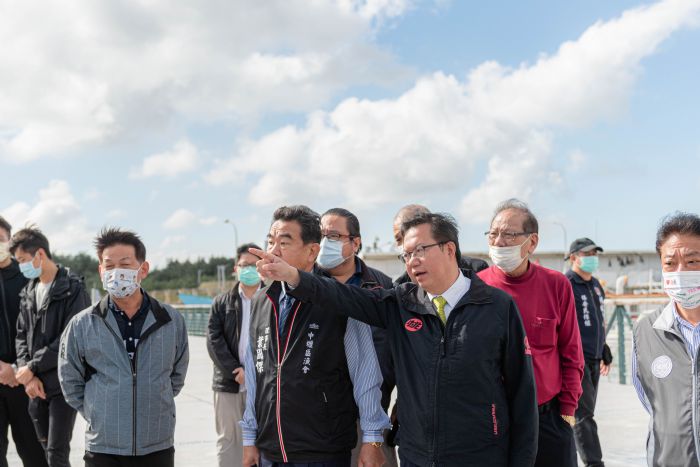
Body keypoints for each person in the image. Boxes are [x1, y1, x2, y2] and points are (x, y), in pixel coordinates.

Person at [251, 211, 538, 467]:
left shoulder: (496, 307)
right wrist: (293, 276)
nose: (412, 262)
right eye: (406, 255)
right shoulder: (401, 303)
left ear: (449, 249)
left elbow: (522, 394)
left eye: (420, 250)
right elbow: (342, 295)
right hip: (417, 455)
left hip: (480, 455)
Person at [240, 205, 389, 467]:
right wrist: (250, 437)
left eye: (284, 243)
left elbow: (366, 374)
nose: (273, 251)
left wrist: (373, 439)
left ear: (312, 251)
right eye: (270, 241)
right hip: (270, 449)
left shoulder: (338, 299)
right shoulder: (262, 300)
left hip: (322, 450)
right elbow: (255, 375)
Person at [58, 228, 189, 467]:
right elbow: (70, 380)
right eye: (109, 266)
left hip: (156, 443)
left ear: (143, 269)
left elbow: (176, 375)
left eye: (125, 264)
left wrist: (153, 399)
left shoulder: (170, 320)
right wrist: (99, 412)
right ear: (101, 271)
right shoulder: (82, 324)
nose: (116, 272)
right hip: (103, 446)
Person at [478, 199, 583, 467]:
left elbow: (571, 351)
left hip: (548, 416)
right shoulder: (477, 288)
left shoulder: (556, 285)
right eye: (493, 234)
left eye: (509, 234)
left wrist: (567, 410)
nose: (498, 242)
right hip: (495, 420)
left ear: (532, 242)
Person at [318, 208, 398, 467]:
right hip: (320, 418)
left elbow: (397, 349)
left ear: (355, 242)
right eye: (321, 236)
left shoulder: (382, 286)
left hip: (372, 413)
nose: (325, 242)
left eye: (333, 236)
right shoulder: (308, 284)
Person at [10, 226, 90, 467]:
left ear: (40, 254)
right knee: (45, 450)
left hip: (62, 385)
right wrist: (27, 373)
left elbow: (70, 339)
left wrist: (32, 367)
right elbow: (21, 335)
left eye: (22, 260)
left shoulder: (73, 288)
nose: (21, 266)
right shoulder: (28, 291)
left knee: (57, 453)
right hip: (34, 385)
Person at [632, 212, 700, 466]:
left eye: (692, 261)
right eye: (670, 263)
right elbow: (651, 401)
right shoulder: (645, 330)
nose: (681, 272)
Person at [207, 243, 262, 467]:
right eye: (244, 265)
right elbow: (214, 340)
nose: (249, 269)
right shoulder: (222, 303)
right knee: (228, 440)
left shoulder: (273, 299)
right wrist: (235, 371)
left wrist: (256, 373)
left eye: (255, 265)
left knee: (262, 441)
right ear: (235, 268)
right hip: (228, 384)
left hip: (262, 383)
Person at [0, 217, 48, 467]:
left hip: (27, 379)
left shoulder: (28, 278)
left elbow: (42, 328)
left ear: (9, 241)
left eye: (0, 239)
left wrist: (22, 367)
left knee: (35, 454)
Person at [566, 238, 612, 467]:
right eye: (587, 254)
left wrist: (604, 347)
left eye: (595, 254)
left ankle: (571, 456)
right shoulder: (566, 283)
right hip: (576, 359)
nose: (593, 258)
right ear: (574, 257)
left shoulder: (595, 285)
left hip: (594, 357)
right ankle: (594, 462)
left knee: (585, 413)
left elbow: (599, 319)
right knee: (583, 414)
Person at [392, 205, 487, 286]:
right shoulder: (400, 290)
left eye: (420, 249)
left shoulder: (477, 270)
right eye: (398, 239)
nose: (404, 244)